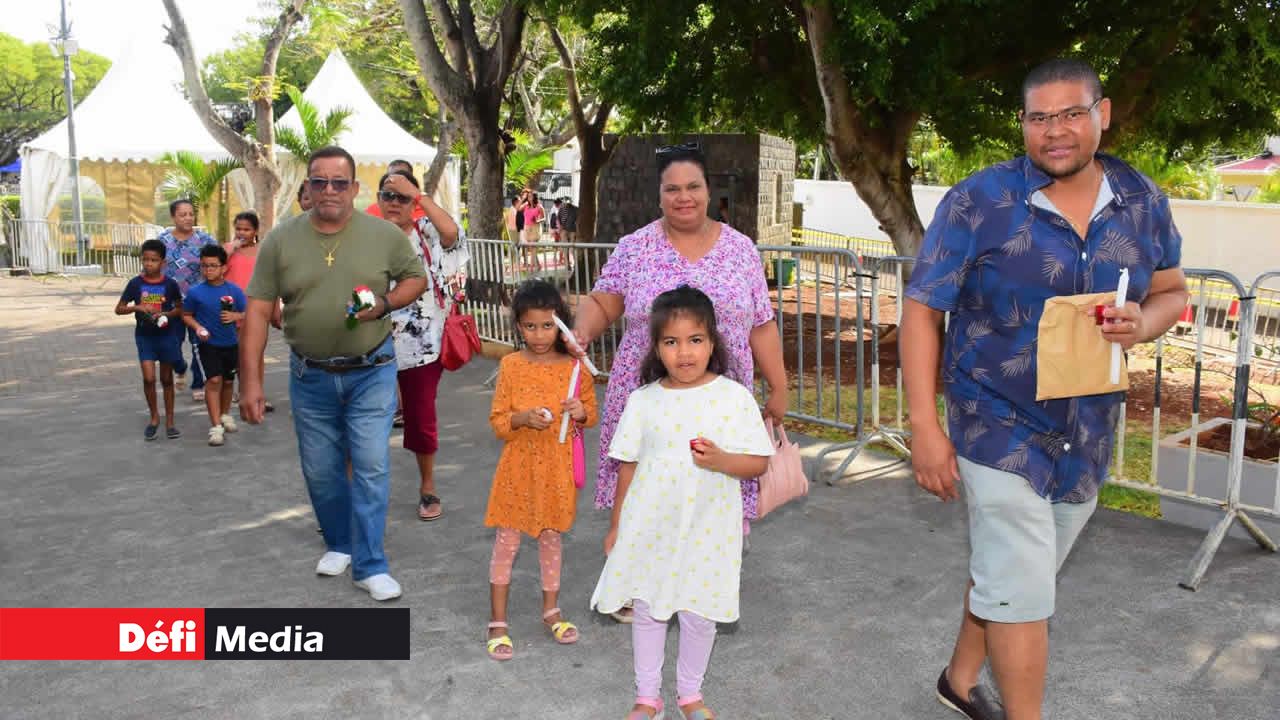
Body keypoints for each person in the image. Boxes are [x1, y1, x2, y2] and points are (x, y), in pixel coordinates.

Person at [902, 59, 1188, 720]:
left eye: (1071, 114)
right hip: (993, 423)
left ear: (1102, 114)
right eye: (1039, 117)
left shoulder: (1142, 200)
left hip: (1086, 429)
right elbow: (922, 308)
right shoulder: (979, 201)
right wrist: (923, 425)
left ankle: (958, 680)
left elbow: (1173, 292)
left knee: (1015, 579)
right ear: (1023, 123)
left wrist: (1143, 320)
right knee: (1023, 593)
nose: (1055, 131)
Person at [569, 143, 788, 621]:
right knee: (646, 484)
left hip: (721, 399)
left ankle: (697, 583)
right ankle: (632, 582)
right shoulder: (636, 247)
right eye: (672, 189)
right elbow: (604, 300)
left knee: (710, 485)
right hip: (650, 394)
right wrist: (585, 326)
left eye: (693, 187)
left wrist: (780, 384)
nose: (683, 197)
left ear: (710, 191)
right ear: (659, 194)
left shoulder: (741, 250)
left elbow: (761, 323)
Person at [239, 145, 428, 602]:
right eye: (319, 182)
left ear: (353, 188)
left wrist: (384, 304)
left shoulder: (383, 235)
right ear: (306, 187)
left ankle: (369, 564)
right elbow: (259, 312)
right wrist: (252, 383)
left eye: (338, 183)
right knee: (322, 472)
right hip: (310, 377)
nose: (329, 191)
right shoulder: (281, 241)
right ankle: (340, 543)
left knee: (370, 465)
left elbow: (415, 278)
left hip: (372, 372)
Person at [590, 286, 773, 720]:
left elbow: (758, 463)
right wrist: (617, 525)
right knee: (649, 610)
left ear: (713, 342)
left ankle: (690, 694)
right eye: (671, 342)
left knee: (699, 612)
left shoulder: (733, 397)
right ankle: (647, 696)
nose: (684, 353)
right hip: (650, 527)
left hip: (709, 530)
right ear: (656, 347)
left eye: (695, 340)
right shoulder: (643, 400)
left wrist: (723, 459)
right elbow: (628, 467)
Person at [484, 280, 599, 661]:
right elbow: (498, 422)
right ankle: (497, 621)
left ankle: (552, 611)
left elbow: (590, 414)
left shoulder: (575, 369)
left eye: (547, 326)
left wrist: (579, 413)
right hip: (517, 470)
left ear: (561, 326)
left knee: (551, 538)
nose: (538, 335)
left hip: (556, 469)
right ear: (518, 325)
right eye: (530, 326)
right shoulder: (510, 366)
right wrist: (521, 418)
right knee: (507, 542)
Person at [374, 169, 465, 521]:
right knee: (364, 418)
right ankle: (356, 495)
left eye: (402, 196)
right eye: (388, 195)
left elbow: (452, 234)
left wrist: (420, 195)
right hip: (371, 340)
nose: (394, 202)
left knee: (420, 418)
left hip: (423, 344)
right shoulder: (367, 237)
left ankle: (428, 487)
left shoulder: (427, 232)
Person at [115, 239, 184, 440]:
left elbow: (179, 309)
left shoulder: (170, 284)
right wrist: (137, 308)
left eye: (153, 260)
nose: (148, 264)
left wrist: (165, 315)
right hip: (145, 337)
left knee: (166, 379)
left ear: (163, 262)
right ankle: (154, 418)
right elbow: (119, 308)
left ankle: (170, 421)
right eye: (145, 259)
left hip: (166, 336)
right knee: (148, 378)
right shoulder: (135, 283)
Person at [182, 245, 247, 446]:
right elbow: (186, 315)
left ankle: (225, 414)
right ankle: (216, 426)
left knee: (228, 381)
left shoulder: (234, 291)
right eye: (204, 266)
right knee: (214, 381)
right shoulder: (195, 292)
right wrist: (198, 327)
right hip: (207, 345)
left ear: (223, 268)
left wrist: (236, 315)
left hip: (231, 344)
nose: (208, 270)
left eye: (213, 266)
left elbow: (249, 313)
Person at [158, 198, 218, 403]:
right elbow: (151, 269)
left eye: (191, 214)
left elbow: (220, 259)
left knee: (198, 344)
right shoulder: (163, 240)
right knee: (171, 346)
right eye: (183, 214)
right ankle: (180, 368)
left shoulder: (204, 240)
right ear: (173, 217)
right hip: (171, 305)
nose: (188, 218)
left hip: (197, 304)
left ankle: (198, 383)